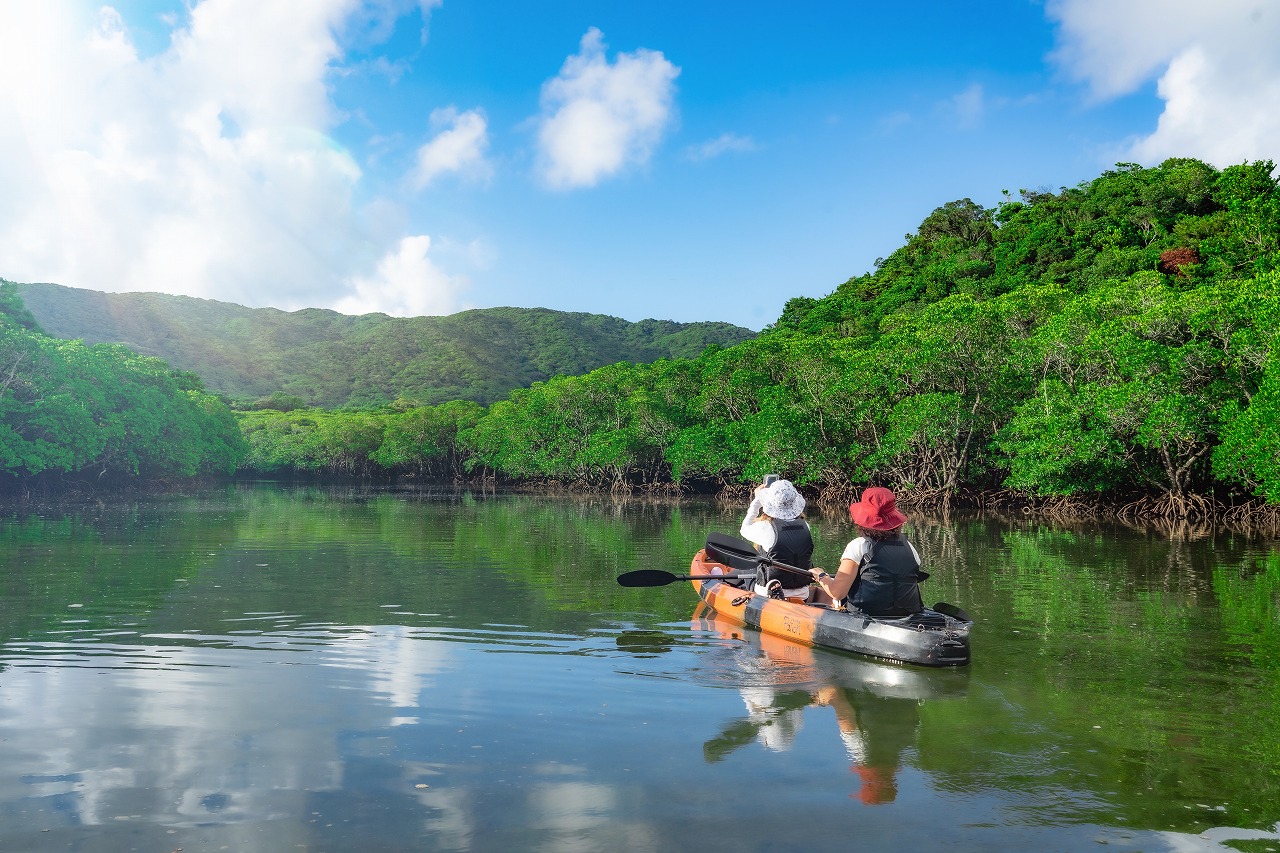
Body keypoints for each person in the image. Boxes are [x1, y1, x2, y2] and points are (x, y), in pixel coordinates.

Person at [810, 487, 925, 616]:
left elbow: (837, 593)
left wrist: (821, 576)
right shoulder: (910, 548)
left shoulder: (858, 545)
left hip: (866, 617)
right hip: (908, 617)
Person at [739, 478, 814, 601]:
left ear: (768, 504)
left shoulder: (765, 527)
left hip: (767, 592)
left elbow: (744, 529)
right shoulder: (805, 525)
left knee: (746, 567)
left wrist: (757, 501)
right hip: (803, 593)